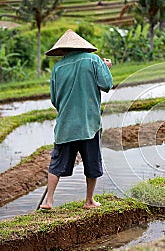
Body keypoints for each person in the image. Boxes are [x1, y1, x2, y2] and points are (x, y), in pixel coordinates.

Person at [40, 29, 113, 209]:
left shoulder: (58, 68)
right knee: (92, 162)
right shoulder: (93, 60)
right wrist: (105, 67)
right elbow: (107, 85)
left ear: (63, 50)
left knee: (56, 163)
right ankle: (89, 201)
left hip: (66, 125)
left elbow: (54, 99)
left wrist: (66, 111)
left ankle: (48, 200)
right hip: (89, 123)